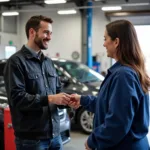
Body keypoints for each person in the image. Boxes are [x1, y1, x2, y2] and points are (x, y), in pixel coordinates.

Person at [70, 20, 150, 150]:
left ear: (116, 42)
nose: (104, 44)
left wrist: (93, 140)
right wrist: (83, 100)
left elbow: (118, 122)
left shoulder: (123, 75)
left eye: (105, 39)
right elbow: (109, 105)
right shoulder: (128, 71)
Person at [3, 15, 71, 150]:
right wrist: (50, 98)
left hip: (55, 137)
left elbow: (57, 91)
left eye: (50, 33)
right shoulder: (16, 62)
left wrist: (67, 101)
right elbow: (17, 98)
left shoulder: (48, 62)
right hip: (31, 141)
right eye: (46, 32)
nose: (49, 37)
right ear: (32, 32)